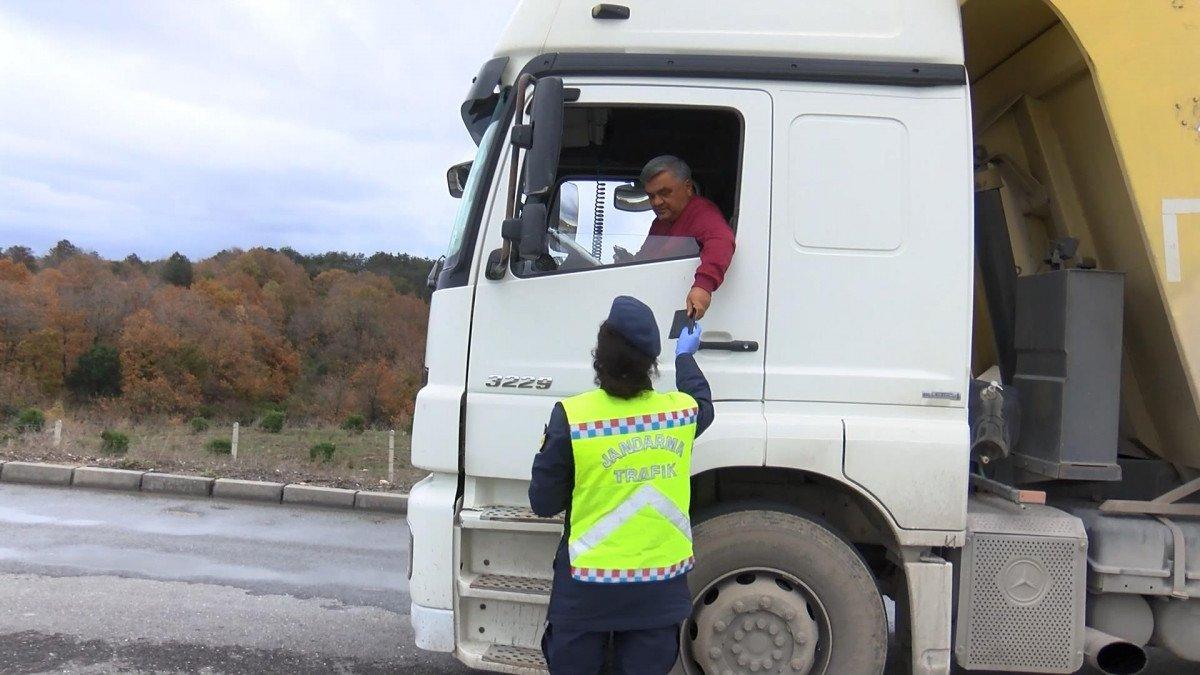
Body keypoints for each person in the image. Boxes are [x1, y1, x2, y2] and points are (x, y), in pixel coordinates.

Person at [529, 295, 714, 674]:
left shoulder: (573, 417)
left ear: (600, 355)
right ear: (651, 363)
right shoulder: (680, 414)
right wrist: (685, 357)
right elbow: (703, 402)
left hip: (586, 596)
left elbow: (543, 503)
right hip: (658, 595)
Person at [613, 155, 736, 320]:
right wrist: (630, 262)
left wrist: (703, 286)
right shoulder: (660, 223)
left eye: (664, 193)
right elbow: (647, 257)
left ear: (688, 187)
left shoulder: (702, 214)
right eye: (651, 196)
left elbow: (722, 241)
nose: (656, 202)